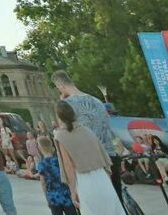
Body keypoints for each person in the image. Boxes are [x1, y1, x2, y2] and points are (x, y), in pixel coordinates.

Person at [52, 70, 121, 202]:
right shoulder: (97, 101)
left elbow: (65, 134)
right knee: (115, 205)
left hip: (88, 166)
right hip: (109, 158)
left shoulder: (67, 105)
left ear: (60, 86)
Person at [52, 99, 123, 214]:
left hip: (84, 179)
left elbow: (68, 165)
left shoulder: (61, 136)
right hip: (101, 175)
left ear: (59, 116)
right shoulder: (86, 130)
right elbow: (101, 155)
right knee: (111, 210)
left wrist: (72, 191)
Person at [35, 136, 76, 215]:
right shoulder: (59, 159)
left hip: (53, 197)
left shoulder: (41, 164)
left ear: (40, 148)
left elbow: (43, 183)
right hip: (66, 194)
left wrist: (47, 198)